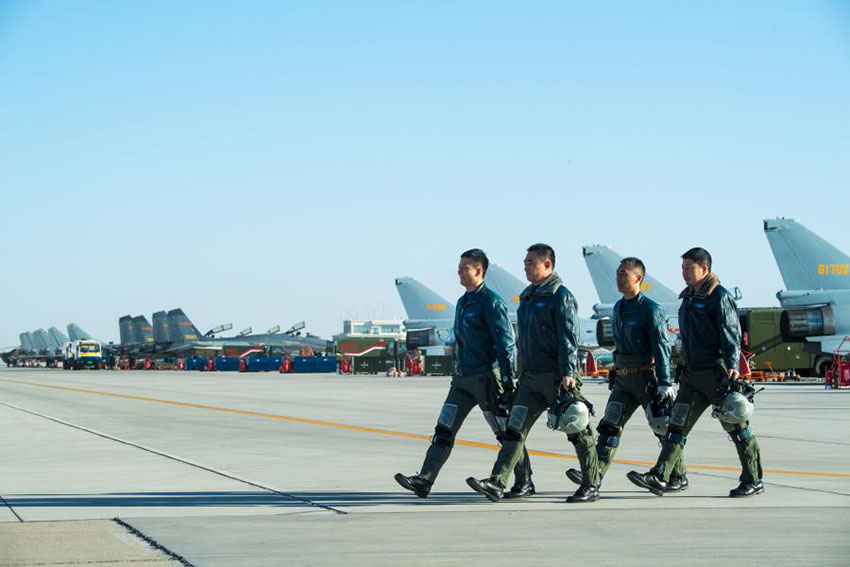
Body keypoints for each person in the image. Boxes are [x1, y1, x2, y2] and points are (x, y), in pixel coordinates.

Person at [466, 243, 600, 503]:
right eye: (525, 262)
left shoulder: (561, 295)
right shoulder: (527, 296)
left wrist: (568, 371)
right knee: (513, 429)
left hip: (557, 376)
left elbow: (568, 336)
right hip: (530, 379)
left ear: (547, 265)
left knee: (577, 429)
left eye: (530, 262)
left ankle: (591, 483)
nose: (525, 267)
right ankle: (502, 481)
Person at [395, 248, 533, 498]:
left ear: (479, 270)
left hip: (486, 379)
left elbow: (505, 345)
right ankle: (424, 480)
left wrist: (506, 382)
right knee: (444, 428)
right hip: (462, 381)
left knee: (505, 432)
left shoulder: (491, 302)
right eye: (459, 267)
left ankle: (524, 481)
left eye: (464, 267)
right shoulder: (462, 302)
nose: (459, 271)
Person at [627, 247, 764, 497]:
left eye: (689, 268)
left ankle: (753, 479)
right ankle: (662, 475)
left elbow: (730, 333)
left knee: (737, 427)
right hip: (691, 375)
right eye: (683, 268)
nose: (684, 273)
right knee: (675, 426)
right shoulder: (688, 299)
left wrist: (733, 366)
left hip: (716, 373)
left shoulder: (718, 297)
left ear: (705, 269)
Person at [564, 257, 688, 492]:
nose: (619, 278)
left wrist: (664, 381)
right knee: (610, 426)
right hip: (624, 379)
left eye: (624, 274)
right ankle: (594, 473)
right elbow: (619, 345)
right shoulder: (619, 307)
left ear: (638, 278)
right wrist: (614, 370)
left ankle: (676, 475)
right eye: (618, 273)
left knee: (662, 427)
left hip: (646, 379)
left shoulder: (651, 310)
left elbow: (661, 346)